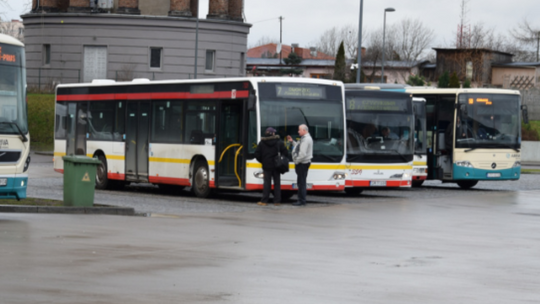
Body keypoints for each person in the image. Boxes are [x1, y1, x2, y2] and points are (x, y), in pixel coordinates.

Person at [255, 127, 288, 206]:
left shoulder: (262, 143)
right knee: (277, 183)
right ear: (273, 133)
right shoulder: (278, 142)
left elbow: (257, 154)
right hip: (277, 166)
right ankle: (277, 201)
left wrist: (263, 161)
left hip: (266, 166)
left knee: (267, 183)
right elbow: (285, 153)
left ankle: (264, 201)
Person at [287, 124, 313, 206]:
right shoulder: (304, 138)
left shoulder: (306, 140)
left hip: (302, 163)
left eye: (299, 130)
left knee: (301, 183)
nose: (298, 131)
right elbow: (299, 147)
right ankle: (301, 199)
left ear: (304, 130)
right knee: (301, 182)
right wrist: (292, 142)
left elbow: (302, 153)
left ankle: (301, 200)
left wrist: (296, 161)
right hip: (303, 163)